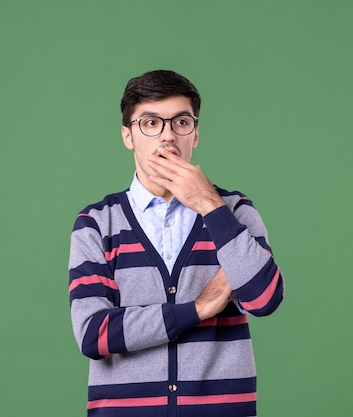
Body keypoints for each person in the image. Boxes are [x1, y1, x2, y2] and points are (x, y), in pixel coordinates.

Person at [68, 69, 284, 417]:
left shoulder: (234, 212)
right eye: (150, 123)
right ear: (128, 135)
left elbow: (264, 299)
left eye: (180, 122)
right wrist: (198, 308)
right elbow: (95, 334)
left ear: (195, 134)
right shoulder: (97, 223)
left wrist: (209, 205)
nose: (167, 136)